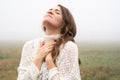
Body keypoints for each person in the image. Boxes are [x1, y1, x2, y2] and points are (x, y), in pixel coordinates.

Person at [17, 4, 81, 80]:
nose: (51, 11)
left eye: (57, 12)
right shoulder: (29, 46)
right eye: (50, 10)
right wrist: (39, 57)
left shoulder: (68, 47)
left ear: (64, 24)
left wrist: (49, 62)